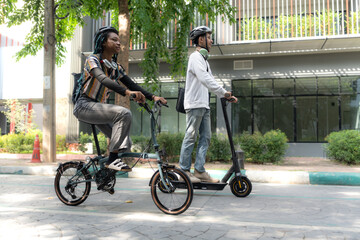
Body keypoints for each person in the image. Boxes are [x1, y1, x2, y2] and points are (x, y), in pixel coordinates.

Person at [73, 26, 167, 172]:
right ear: (103, 42)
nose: (118, 43)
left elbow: (131, 84)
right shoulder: (92, 60)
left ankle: (106, 175)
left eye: (119, 40)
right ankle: (112, 160)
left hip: (99, 109)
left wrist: (153, 97)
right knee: (123, 113)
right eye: (114, 40)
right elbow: (102, 79)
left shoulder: (115, 67)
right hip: (84, 106)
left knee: (125, 142)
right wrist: (128, 93)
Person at [179, 26, 237, 183]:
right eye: (209, 38)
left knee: (206, 137)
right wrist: (222, 91)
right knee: (191, 136)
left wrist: (224, 94)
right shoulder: (195, 58)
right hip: (195, 104)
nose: (211, 41)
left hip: (204, 105)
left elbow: (210, 80)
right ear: (201, 39)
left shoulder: (204, 60)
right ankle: (184, 171)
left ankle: (199, 170)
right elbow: (204, 78)